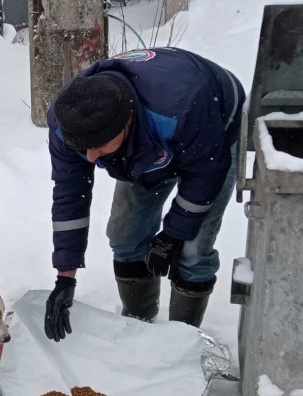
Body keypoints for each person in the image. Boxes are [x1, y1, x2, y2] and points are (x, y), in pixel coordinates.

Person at [43, 47, 245, 341]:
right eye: (82, 148)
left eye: (99, 146)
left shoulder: (183, 109)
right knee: (125, 235)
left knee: (193, 251)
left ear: (125, 124)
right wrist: (65, 275)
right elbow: (69, 195)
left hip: (216, 126)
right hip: (149, 144)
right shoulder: (69, 123)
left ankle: (181, 341)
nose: (89, 157)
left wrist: (173, 234)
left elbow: (205, 176)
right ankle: (138, 327)